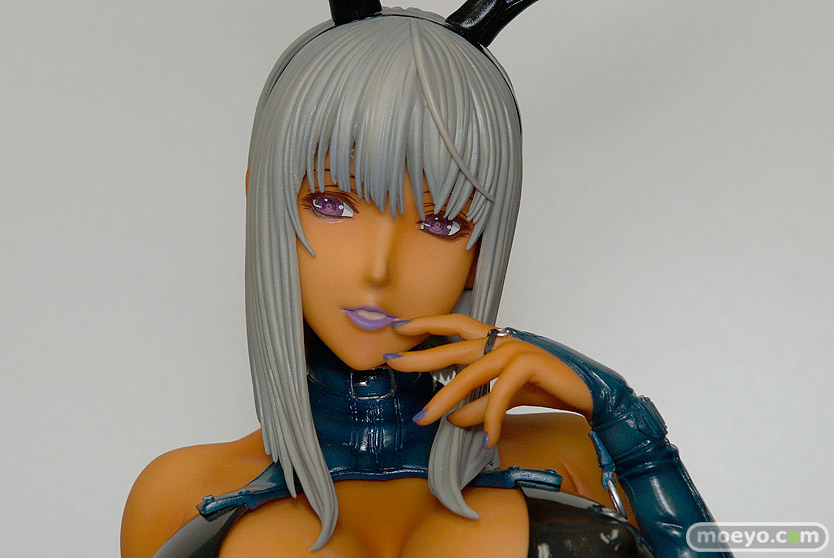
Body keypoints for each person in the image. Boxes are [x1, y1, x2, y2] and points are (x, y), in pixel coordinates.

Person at [121, 2, 729, 557]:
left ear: (483, 246)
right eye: (333, 204)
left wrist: (631, 429)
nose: (379, 268)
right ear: (262, 202)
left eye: (441, 223)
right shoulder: (177, 491)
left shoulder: (572, 451)